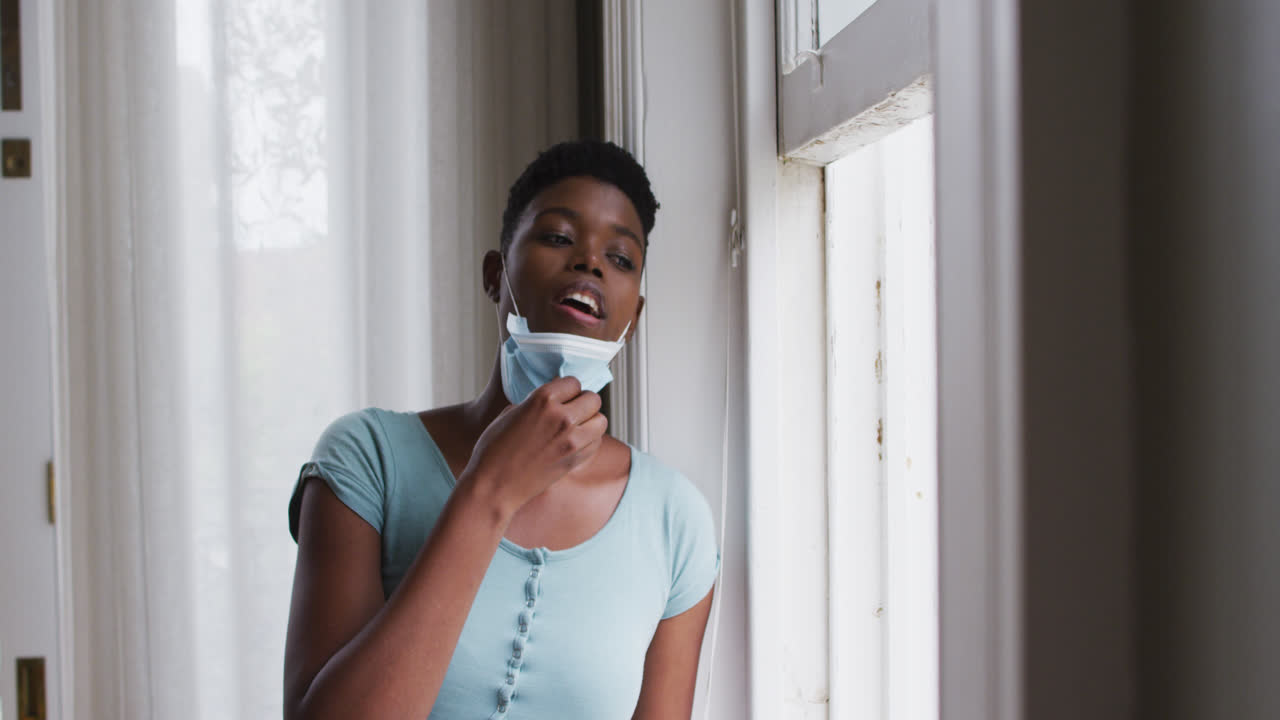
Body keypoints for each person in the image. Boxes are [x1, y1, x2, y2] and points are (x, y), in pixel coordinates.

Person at [282, 140, 720, 720]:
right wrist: (490, 491)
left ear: (633, 317)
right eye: (559, 237)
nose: (589, 262)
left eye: (620, 258)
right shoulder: (365, 461)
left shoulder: (676, 521)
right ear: (496, 274)